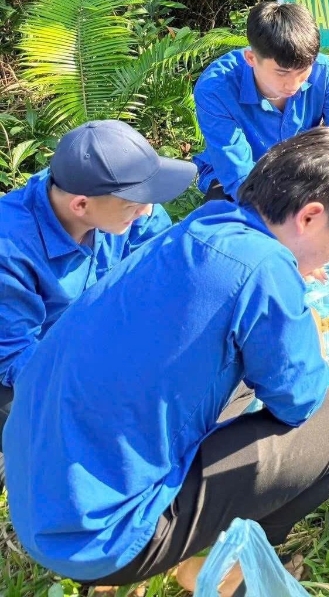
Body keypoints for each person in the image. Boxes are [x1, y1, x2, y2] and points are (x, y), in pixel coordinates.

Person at [3, 128, 329, 596]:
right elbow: (300, 402)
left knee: (241, 383)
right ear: (310, 216)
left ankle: (187, 549)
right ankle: (223, 564)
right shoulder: (264, 269)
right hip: (103, 537)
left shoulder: (205, 224)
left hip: (43, 498)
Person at [0, 119, 194, 486]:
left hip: (94, 334)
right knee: (72, 444)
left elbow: (168, 264)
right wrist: (97, 388)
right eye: (135, 205)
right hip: (30, 360)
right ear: (81, 205)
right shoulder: (9, 252)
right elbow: (15, 357)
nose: (148, 212)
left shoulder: (124, 203)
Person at [192, 0, 329, 275]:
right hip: (251, 179)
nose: (292, 85)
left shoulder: (324, 71)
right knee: (221, 221)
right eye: (281, 73)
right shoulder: (216, 88)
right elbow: (239, 176)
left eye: (302, 72)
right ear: (251, 58)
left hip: (304, 173)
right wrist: (295, 247)